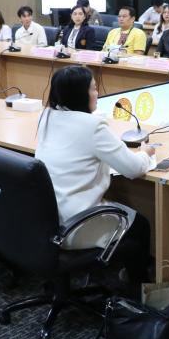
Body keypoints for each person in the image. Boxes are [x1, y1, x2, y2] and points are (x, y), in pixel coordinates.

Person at [34, 65, 155, 288]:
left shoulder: (47, 116)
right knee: (141, 225)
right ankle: (139, 289)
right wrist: (145, 153)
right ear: (79, 94)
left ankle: (100, 274)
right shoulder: (93, 126)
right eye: (93, 89)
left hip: (46, 220)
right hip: (74, 224)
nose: (97, 93)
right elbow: (134, 169)